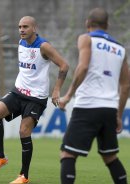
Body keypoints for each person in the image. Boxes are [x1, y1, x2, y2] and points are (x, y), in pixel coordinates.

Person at [0, 16, 69, 184]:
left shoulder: (43, 46)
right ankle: (0, 157)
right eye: (19, 27)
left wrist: (56, 89)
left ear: (34, 28)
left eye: (25, 26)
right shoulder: (21, 42)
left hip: (36, 98)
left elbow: (64, 65)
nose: (21, 30)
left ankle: (23, 176)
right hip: (18, 92)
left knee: (24, 131)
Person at [59, 8, 129, 184]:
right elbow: (126, 86)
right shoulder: (120, 49)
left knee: (67, 154)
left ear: (87, 24)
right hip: (109, 109)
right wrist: (118, 115)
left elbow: (82, 67)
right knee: (110, 157)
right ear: (107, 25)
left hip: (87, 106)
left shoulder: (86, 38)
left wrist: (67, 95)